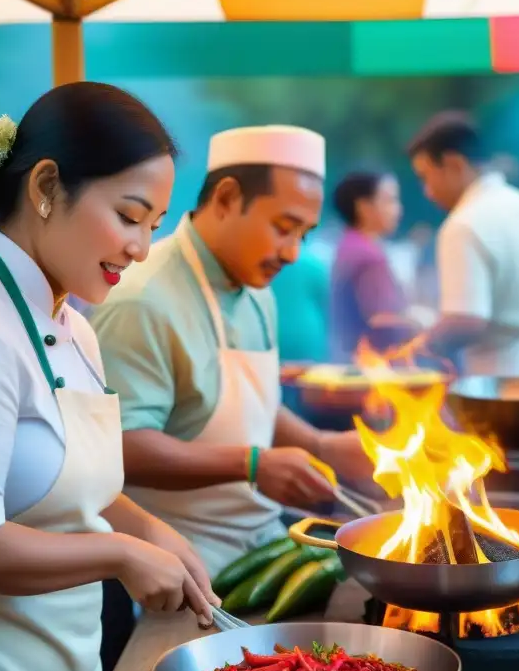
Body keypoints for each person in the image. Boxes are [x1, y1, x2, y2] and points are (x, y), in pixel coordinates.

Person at [0, 82, 217, 671]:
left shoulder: (75, 327)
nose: (141, 248)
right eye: (130, 216)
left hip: (58, 666)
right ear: (47, 186)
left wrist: (152, 530)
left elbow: (76, 492)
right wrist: (121, 553)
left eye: (156, 225)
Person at [89, 125, 375, 580]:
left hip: (262, 546)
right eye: (284, 228)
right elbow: (122, 447)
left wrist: (324, 447)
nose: (294, 252)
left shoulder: (256, 289)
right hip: (173, 564)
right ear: (225, 199)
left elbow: (249, 406)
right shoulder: (141, 299)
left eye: (304, 233)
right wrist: (253, 464)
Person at [406, 112, 519, 450]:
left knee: (509, 496)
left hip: (503, 390)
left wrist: (419, 347)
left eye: (426, 177)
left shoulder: (463, 223)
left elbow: (466, 320)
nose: (427, 192)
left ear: (454, 164)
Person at [329, 170, 414, 360]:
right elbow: (382, 319)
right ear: (364, 207)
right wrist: (422, 322)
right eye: (390, 200)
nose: (398, 209)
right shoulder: (368, 255)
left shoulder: (349, 245)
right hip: (374, 367)